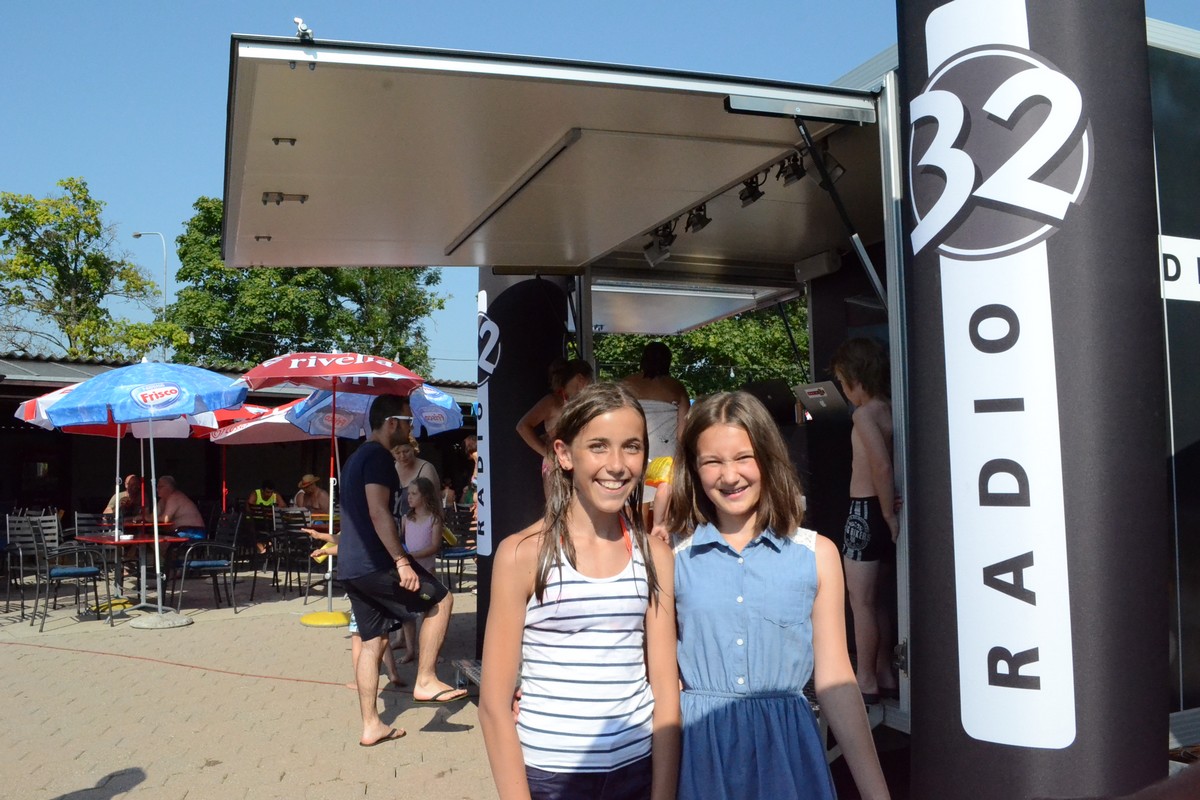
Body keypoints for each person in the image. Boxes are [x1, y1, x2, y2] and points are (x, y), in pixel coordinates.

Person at [665, 391, 890, 800]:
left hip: (788, 759)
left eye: (743, 457)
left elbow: (837, 682)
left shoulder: (817, 554)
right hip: (702, 759)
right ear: (694, 470)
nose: (729, 476)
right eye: (712, 461)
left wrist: (877, 794)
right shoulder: (672, 560)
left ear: (768, 458)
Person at [480, 382, 679, 800]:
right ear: (564, 454)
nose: (617, 465)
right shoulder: (521, 554)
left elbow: (665, 690)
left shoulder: (656, 556)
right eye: (598, 446)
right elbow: (494, 706)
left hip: (637, 771)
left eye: (631, 447)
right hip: (551, 776)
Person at [337, 393, 465, 748]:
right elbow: (378, 511)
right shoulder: (379, 457)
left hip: (351, 566)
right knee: (442, 600)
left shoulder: (355, 458)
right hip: (375, 562)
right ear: (392, 423)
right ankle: (425, 679)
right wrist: (402, 561)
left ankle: (371, 725)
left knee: (373, 641)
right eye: (409, 421)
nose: (412, 428)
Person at [831, 337, 899, 703]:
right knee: (879, 600)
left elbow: (881, 466)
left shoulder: (864, 414)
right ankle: (885, 671)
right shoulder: (890, 408)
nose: (844, 391)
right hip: (883, 511)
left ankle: (866, 678)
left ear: (856, 379)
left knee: (860, 602)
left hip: (865, 512)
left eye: (843, 383)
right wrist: (890, 512)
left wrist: (886, 514)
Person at [306, 528, 406, 693]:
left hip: (360, 585)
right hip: (380, 583)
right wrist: (320, 537)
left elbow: (345, 545)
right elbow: (344, 541)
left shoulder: (356, 524)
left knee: (357, 639)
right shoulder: (377, 526)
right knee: (382, 634)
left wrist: (324, 550)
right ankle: (393, 673)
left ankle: (359, 681)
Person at [622, 342, 689, 538]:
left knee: (636, 501)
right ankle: (659, 533)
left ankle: (635, 542)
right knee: (663, 488)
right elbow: (683, 432)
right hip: (664, 451)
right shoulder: (676, 387)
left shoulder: (626, 384)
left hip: (634, 448)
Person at [515, 357, 594, 472]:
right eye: (590, 382)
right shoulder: (553, 401)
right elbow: (522, 427)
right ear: (580, 379)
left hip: (579, 465)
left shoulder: (583, 404)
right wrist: (546, 453)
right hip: (558, 468)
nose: (591, 387)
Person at [396, 476, 444, 664]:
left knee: (428, 611)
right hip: (410, 571)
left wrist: (411, 555)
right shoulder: (407, 519)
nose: (409, 497)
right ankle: (410, 649)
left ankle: (428, 649)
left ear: (425, 496)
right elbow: (400, 540)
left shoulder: (434, 519)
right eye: (409, 493)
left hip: (426, 571)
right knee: (408, 613)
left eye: (414, 494)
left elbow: (434, 546)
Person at [391, 440, 440, 518]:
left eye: (406, 451)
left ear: (413, 448)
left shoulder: (426, 468)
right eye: (397, 453)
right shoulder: (390, 468)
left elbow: (434, 501)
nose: (402, 456)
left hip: (419, 521)